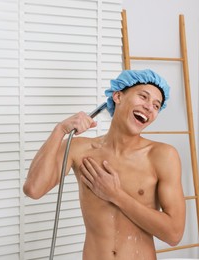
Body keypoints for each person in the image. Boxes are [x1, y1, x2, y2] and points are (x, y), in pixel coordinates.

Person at [23, 69, 186, 259]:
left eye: (156, 105)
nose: (150, 107)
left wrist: (115, 195)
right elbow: (33, 189)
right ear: (118, 96)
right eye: (143, 97)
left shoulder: (162, 156)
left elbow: (174, 234)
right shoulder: (80, 150)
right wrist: (59, 130)